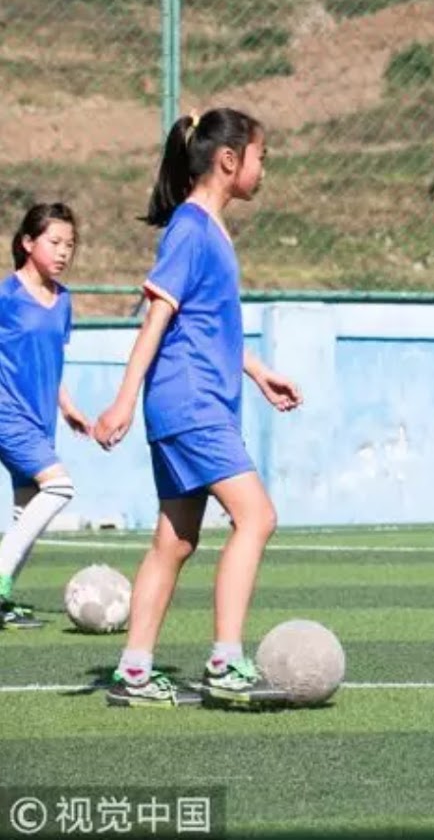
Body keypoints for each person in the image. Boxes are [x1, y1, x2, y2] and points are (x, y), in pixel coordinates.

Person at [93, 108, 303, 707]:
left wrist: (259, 373)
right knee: (256, 517)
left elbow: (207, 325)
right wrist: (122, 400)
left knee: (175, 540)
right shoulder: (191, 227)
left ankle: (134, 671)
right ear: (229, 161)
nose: (265, 169)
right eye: (261, 156)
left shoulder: (209, 227)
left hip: (192, 399)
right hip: (191, 403)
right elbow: (157, 316)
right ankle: (226, 661)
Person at [0, 203, 92, 629]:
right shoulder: (7, 296)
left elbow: (50, 361)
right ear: (27, 242)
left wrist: (68, 407)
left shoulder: (63, 301)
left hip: (40, 419)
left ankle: (4, 599)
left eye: (70, 245)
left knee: (27, 510)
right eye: (54, 242)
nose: (63, 252)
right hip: (7, 414)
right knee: (59, 486)